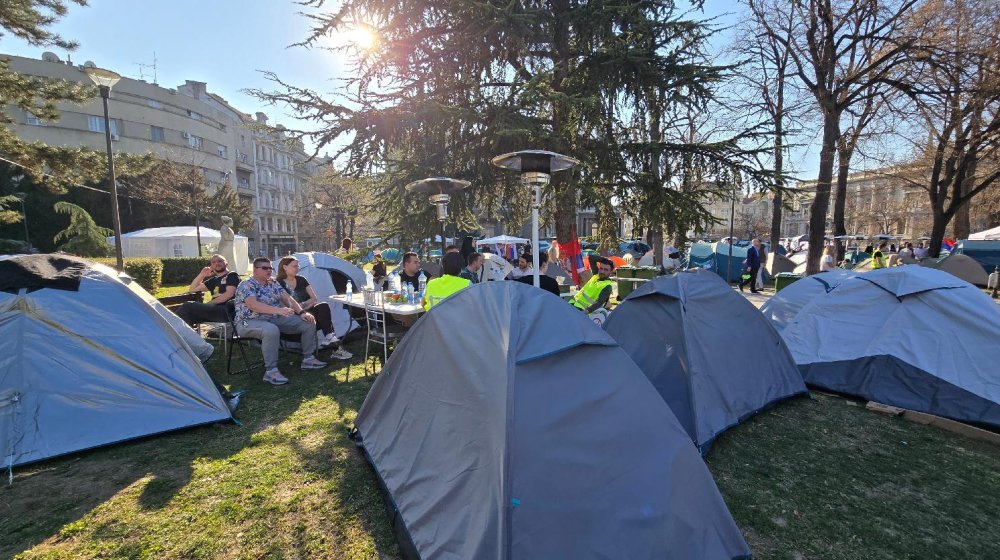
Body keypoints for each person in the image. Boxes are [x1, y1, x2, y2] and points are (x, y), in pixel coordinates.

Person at [234, 257, 327, 385]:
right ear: (255, 270)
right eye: (265, 268)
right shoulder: (246, 284)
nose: (269, 271)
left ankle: (308, 359)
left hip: (272, 318)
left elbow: (288, 298)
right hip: (247, 321)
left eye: (270, 268)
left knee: (308, 322)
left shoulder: (272, 282)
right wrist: (278, 310)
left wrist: (301, 312)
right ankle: (271, 372)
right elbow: (253, 305)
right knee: (271, 330)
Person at [276, 257, 353, 360]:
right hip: (292, 315)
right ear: (285, 267)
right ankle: (335, 348)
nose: (297, 268)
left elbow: (314, 298)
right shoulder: (278, 283)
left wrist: (302, 304)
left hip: (308, 312)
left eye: (298, 265)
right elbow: (283, 304)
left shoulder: (301, 279)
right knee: (325, 320)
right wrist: (300, 307)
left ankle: (330, 338)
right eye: (294, 266)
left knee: (323, 306)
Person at [175, 254, 240, 325]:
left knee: (188, 306)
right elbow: (192, 289)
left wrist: (208, 304)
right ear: (211, 266)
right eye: (213, 262)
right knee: (189, 316)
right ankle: (183, 335)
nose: (217, 263)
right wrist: (202, 274)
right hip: (215, 312)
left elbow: (229, 294)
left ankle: (169, 328)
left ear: (226, 263)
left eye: (220, 261)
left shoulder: (232, 275)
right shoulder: (213, 281)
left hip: (227, 311)